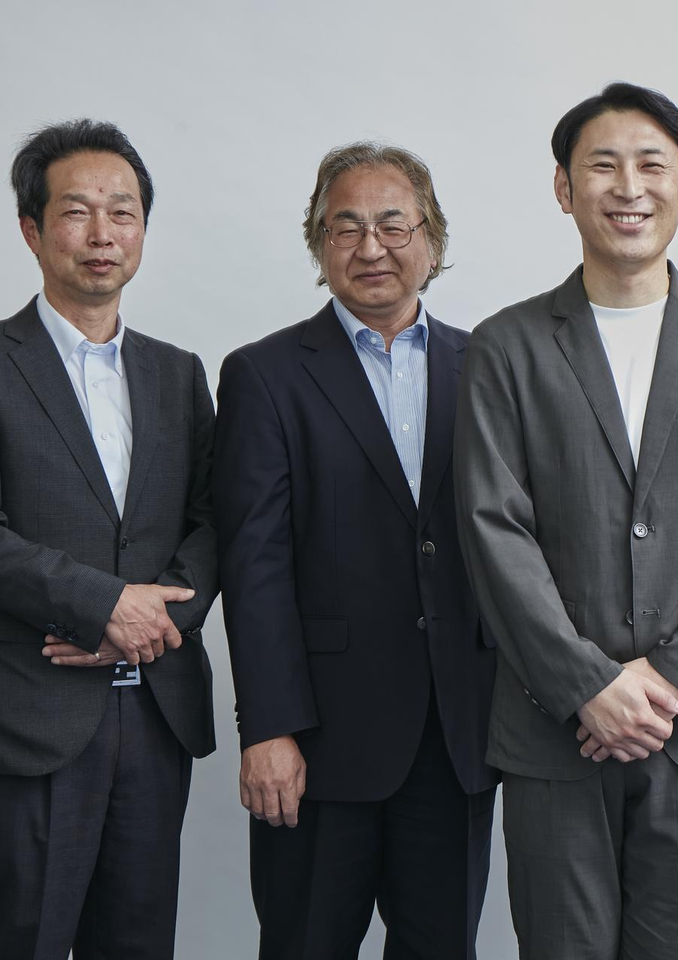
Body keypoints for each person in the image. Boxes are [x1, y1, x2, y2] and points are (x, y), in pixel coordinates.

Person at [454, 82, 678, 960]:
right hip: (554, 728)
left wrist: (671, 678)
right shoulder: (507, 345)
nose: (629, 187)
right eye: (602, 165)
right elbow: (494, 528)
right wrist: (587, 684)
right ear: (564, 188)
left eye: (652, 165)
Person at [0, 118, 217, 959]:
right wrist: (102, 606)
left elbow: (215, 520)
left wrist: (152, 624)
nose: (101, 233)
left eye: (123, 212)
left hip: (155, 718)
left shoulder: (178, 373)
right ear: (32, 229)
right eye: (77, 211)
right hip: (28, 721)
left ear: (143, 229)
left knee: (138, 944)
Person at [213, 141, 497, 959]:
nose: (371, 247)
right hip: (318, 741)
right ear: (319, 243)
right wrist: (268, 728)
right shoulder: (266, 375)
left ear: (431, 241)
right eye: (346, 228)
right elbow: (254, 566)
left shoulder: (488, 366)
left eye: (393, 225)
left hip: (457, 735)